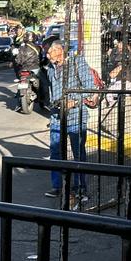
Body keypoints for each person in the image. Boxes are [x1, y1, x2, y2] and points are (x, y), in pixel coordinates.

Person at [43, 40, 98, 207]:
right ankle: (57, 186)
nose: (47, 55)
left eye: (49, 52)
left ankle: (80, 188)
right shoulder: (50, 69)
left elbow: (90, 88)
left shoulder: (77, 62)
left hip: (75, 116)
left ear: (59, 50)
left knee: (78, 153)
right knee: (55, 151)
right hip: (56, 117)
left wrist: (73, 101)